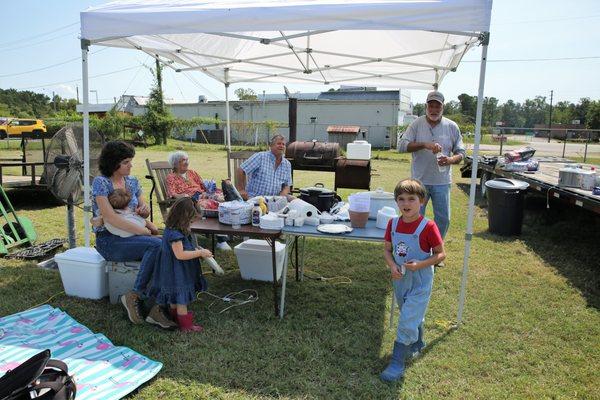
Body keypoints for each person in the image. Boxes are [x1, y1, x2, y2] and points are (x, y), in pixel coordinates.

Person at [92, 141, 176, 329]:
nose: (131, 165)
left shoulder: (133, 182)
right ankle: (137, 296)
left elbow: (143, 212)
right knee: (157, 245)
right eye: (126, 162)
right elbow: (110, 218)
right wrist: (144, 231)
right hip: (110, 240)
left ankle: (157, 305)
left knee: (167, 245)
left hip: (134, 236)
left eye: (131, 161)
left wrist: (144, 210)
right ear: (113, 164)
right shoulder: (101, 183)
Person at [380, 179, 445, 382]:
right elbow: (387, 250)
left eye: (412, 199)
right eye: (401, 199)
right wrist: (392, 266)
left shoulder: (428, 227)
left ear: (422, 201)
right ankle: (418, 342)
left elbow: (441, 255)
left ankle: (397, 362)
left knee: (407, 318)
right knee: (408, 310)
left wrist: (421, 264)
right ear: (396, 201)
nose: (406, 204)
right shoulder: (393, 223)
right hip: (400, 279)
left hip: (420, 279)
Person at [397, 90, 465, 243]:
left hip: (442, 182)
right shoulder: (416, 124)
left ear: (443, 108)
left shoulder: (452, 126)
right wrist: (424, 144)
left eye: (437, 106)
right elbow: (401, 146)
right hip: (419, 182)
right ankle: (414, 247)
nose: (434, 110)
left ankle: (436, 249)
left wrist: (450, 159)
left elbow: (461, 153)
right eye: (431, 106)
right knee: (413, 217)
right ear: (426, 106)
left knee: (443, 219)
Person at [146, 197, 212, 332]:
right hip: (176, 272)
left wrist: (196, 249)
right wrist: (200, 253)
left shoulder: (173, 229)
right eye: (191, 221)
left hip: (173, 270)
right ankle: (186, 327)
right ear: (184, 218)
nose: (191, 224)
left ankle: (174, 319)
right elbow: (180, 254)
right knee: (181, 299)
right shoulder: (175, 234)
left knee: (174, 298)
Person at [166, 151, 231, 251]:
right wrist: (185, 196)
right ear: (175, 163)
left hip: (203, 196)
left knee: (223, 201)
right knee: (210, 205)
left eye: (187, 159)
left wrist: (211, 190)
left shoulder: (192, 172)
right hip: (189, 201)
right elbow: (172, 193)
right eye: (183, 160)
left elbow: (203, 186)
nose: (187, 162)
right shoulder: (171, 177)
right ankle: (221, 239)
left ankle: (223, 234)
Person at [235, 134, 292, 200]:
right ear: (271, 146)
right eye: (279, 143)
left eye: (283, 144)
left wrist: (280, 198)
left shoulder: (287, 164)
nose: (281, 146)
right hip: (254, 200)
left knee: (298, 203)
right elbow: (241, 170)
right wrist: (241, 190)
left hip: (273, 202)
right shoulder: (261, 157)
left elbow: (287, 186)